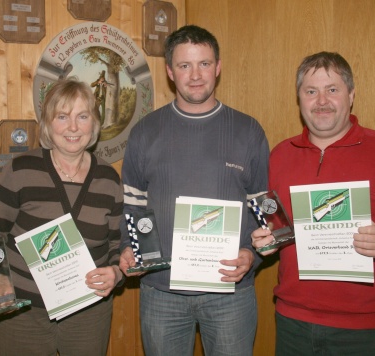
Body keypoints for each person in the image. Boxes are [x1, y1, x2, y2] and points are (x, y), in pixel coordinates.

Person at [251, 51, 375, 355]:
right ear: (299, 99)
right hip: (292, 323)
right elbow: (274, 226)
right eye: (311, 91)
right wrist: (266, 241)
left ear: (351, 95)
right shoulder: (279, 156)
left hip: (363, 331)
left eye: (332, 90)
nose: (321, 101)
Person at [119, 25, 269, 356]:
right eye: (185, 66)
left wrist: (252, 255)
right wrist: (130, 248)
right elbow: (132, 205)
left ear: (218, 67)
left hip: (231, 291)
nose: (196, 75)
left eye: (204, 63)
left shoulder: (248, 130)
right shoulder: (145, 132)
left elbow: (264, 209)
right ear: (170, 72)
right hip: (161, 293)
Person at [0, 79, 124, 355]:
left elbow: (118, 243)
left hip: (88, 313)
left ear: (94, 123)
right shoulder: (20, 170)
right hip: (23, 313)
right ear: (47, 123)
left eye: (82, 116)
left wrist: (115, 273)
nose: (73, 127)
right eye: (62, 117)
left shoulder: (109, 179)